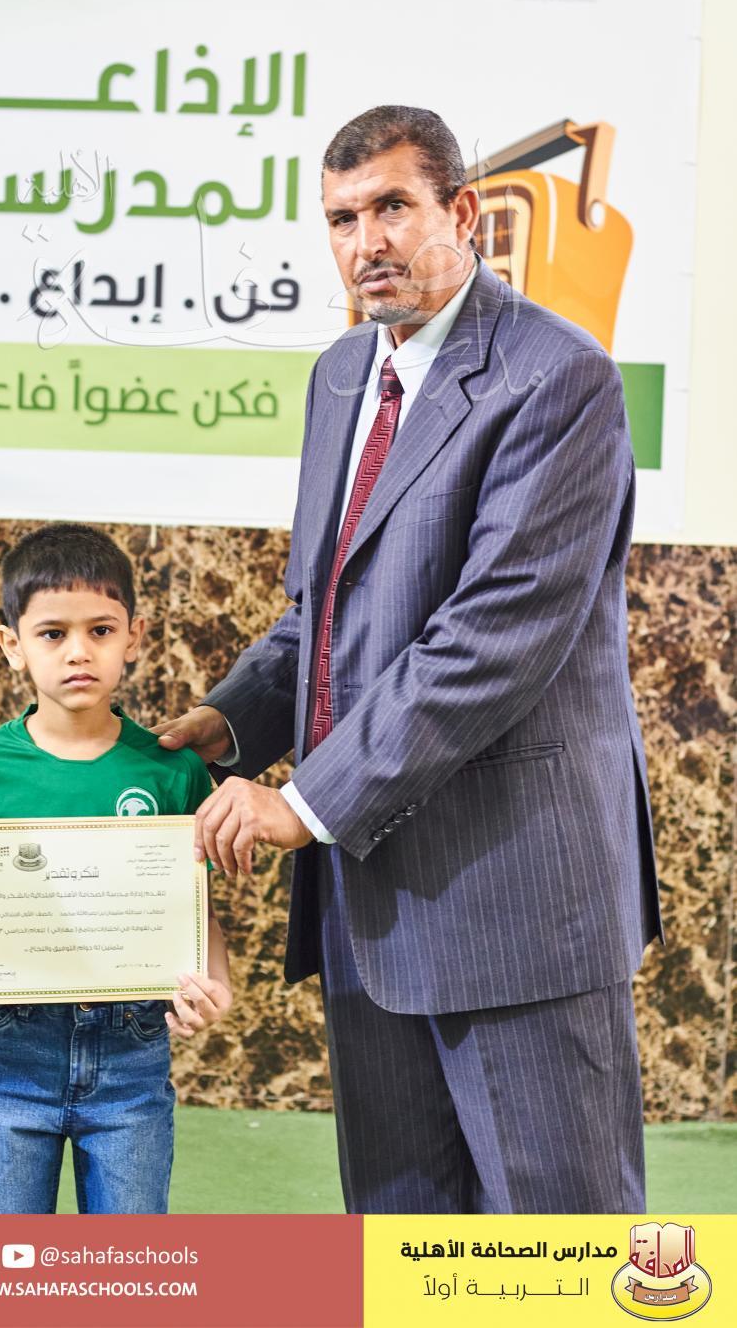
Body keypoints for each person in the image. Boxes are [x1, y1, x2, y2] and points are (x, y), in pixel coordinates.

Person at [154, 105, 663, 1215]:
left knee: (561, 1250)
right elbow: (326, 611)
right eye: (342, 218)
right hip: (370, 902)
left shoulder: (560, 378)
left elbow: (490, 643)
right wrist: (228, 726)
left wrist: (303, 801)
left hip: (517, 897)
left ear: (462, 212)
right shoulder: (343, 373)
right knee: (400, 1251)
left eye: (392, 206)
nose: (367, 242)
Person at [0, 523, 232, 1214]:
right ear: (13, 645)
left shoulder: (174, 771)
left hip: (131, 1059)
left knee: (124, 1266)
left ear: (134, 636)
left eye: (101, 630)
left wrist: (217, 982)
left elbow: (193, 907)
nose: (79, 651)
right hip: (7, 1057)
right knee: (3, 1262)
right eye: (52, 633)